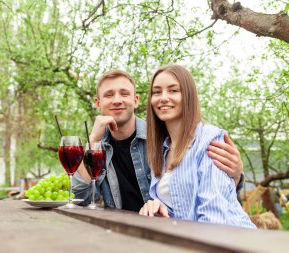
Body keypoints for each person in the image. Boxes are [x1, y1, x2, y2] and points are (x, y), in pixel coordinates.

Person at [72, 69, 244, 212]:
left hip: (164, 231)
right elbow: (81, 198)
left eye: (124, 93)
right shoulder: (98, 147)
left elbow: (207, 188)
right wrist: (92, 141)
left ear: (136, 100)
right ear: (98, 103)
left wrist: (236, 176)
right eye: (109, 95)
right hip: (121, 233)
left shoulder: (164, 137)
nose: (117, 100)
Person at [139, 64, 255, 228]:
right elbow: (182, 210)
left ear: (188, 96)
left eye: (173, 90)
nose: (163, 97)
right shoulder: (161, 151)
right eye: (156, 92)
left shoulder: (209, 140)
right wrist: (157, 209)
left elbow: (214, 219)